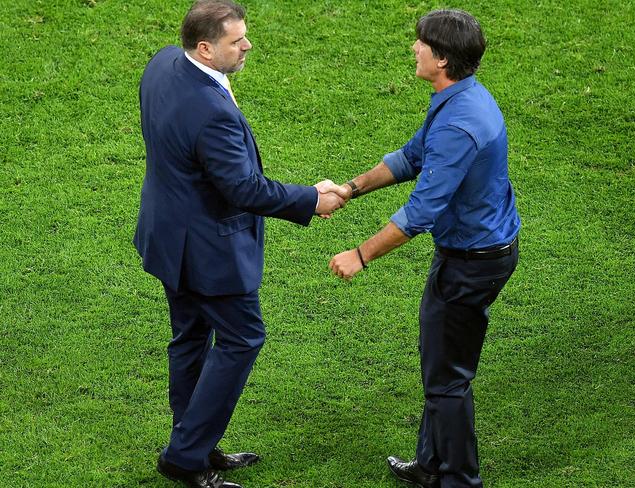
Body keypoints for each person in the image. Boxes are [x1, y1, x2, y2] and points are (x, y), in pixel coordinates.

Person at [133, 1, 346, 487]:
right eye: (237, 41)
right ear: (205, 48)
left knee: (189, 339)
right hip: (208, 251)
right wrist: (311, 199)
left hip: (168, 236)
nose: (248, 45)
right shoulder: (212, 113)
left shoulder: (165, 62)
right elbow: (244, 189)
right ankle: (186, 457)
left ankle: (192, 444)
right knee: (242, 337)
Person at [329, 9, 521, 488]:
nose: (413, 48)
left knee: (447, 380)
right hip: (476, 250)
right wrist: (351, 189)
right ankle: (431, 465)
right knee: (441, 367)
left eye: (420, 43)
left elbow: (420, 214)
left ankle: (457, 480)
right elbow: (412, 156)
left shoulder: (460, 125)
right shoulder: (457, 98)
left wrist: (361, 254)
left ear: (440, 59)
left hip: (472, 263)